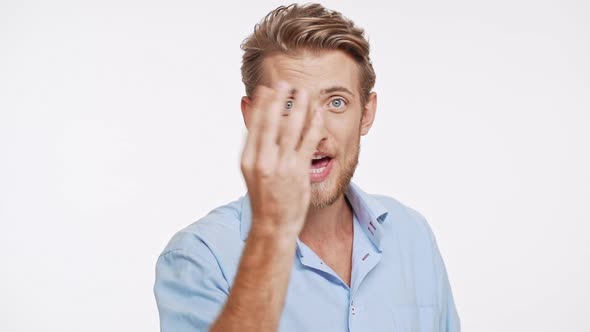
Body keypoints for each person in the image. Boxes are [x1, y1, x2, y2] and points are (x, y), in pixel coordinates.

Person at [153, 3, 460, 331]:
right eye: (289, 105)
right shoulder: (200, 257)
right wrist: (272, 234)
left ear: (367, 113)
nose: (314, 133)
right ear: (253, 117)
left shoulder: (412, 234)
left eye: (336, 102)